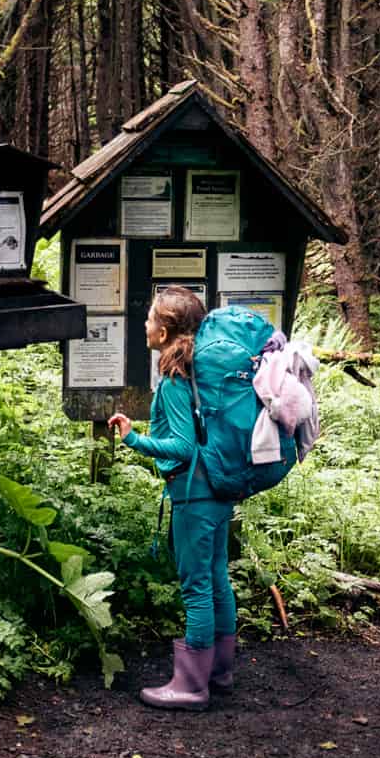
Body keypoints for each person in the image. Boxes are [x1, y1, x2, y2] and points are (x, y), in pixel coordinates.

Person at [108, 286, 236, 711]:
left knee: (197, 586)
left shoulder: (174, 379)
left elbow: (182, 446)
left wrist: (135, 440)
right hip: (218, 489)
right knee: (217, 578)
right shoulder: (197, 372)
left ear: (164, 332)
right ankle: (220, 671)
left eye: (149, 319)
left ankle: (191, 686)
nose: (144, 325)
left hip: (194, 495)